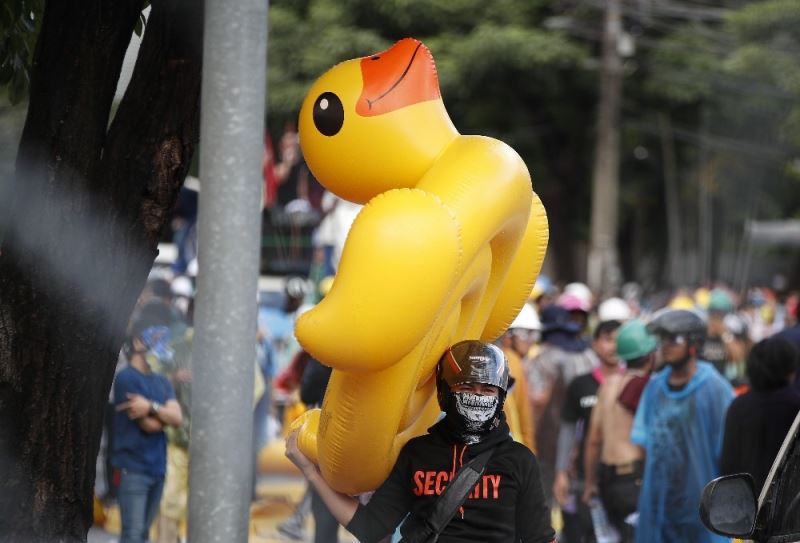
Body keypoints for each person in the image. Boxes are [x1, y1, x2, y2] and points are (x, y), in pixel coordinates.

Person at [286, 340, 556, 543]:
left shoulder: (519, 461)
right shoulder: (417, 453)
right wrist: (310, 471)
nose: (478, 396)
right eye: (465, 387)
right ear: (444, 393)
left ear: (500, 397)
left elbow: (540, 539)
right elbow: (370, 527)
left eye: (487, 389)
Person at [631, 309, 733, 543]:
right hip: (660, 506)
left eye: (674, 339)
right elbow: (644, 443)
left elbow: (728, 450)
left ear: (694, 344)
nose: (665, 346)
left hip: (702, 507)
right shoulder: (655, 387)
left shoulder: (715, 389)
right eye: (662, 339)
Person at [582, 319, 657, 542]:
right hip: (635, 480)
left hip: (607, 482)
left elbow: (594, 440)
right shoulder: (648, 387)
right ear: (649, 355)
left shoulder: (607, 385)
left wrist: (590, 483)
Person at [112, 318, 183, 543]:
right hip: (132, 469)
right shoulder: (126, 378)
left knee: (143, 534)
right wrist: (164, 415)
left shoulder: (162, 380)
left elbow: (177, 417)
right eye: (155, 339)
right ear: (137, 343)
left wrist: (150, 407)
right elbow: (151, 426)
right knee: (133, 535)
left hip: (157, 469)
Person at [553, 320, 622, 543]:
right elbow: (568, 431)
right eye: (608, 339)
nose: (614, 346)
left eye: (619, 340)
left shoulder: (635, 383)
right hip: (585, 478)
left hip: (624, 480)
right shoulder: (581, 384)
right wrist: (561, 473)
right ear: (596, 344)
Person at [528, 304, 593, 505]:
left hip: (548, 437)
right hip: (582, 437)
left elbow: (537, 399)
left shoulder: (544, 358)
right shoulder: (588, 356)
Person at [720, 337, 800, 490]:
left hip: (745, 503)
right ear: (789, 369)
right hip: (785, 506)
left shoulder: (738, 405)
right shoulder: (795, 407)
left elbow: (727, 464)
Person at [500, 302, 540, 452]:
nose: (530, 340)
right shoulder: (512, 363)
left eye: (534, 334)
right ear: (507, 335)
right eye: (525, 333)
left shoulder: (501, 361)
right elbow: (524, 422)